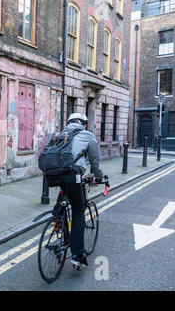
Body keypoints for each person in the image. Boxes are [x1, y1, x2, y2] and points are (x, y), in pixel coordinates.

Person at [46, 113, 103, 268]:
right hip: (72, 176)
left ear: (69, 123)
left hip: (51, 175)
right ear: (84, 124)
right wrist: (98, 177)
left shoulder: (57, 135)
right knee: (78, 210)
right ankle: (77, 255)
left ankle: (58, 219)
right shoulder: (87, 136)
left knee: (64, 194)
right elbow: (95, 161)